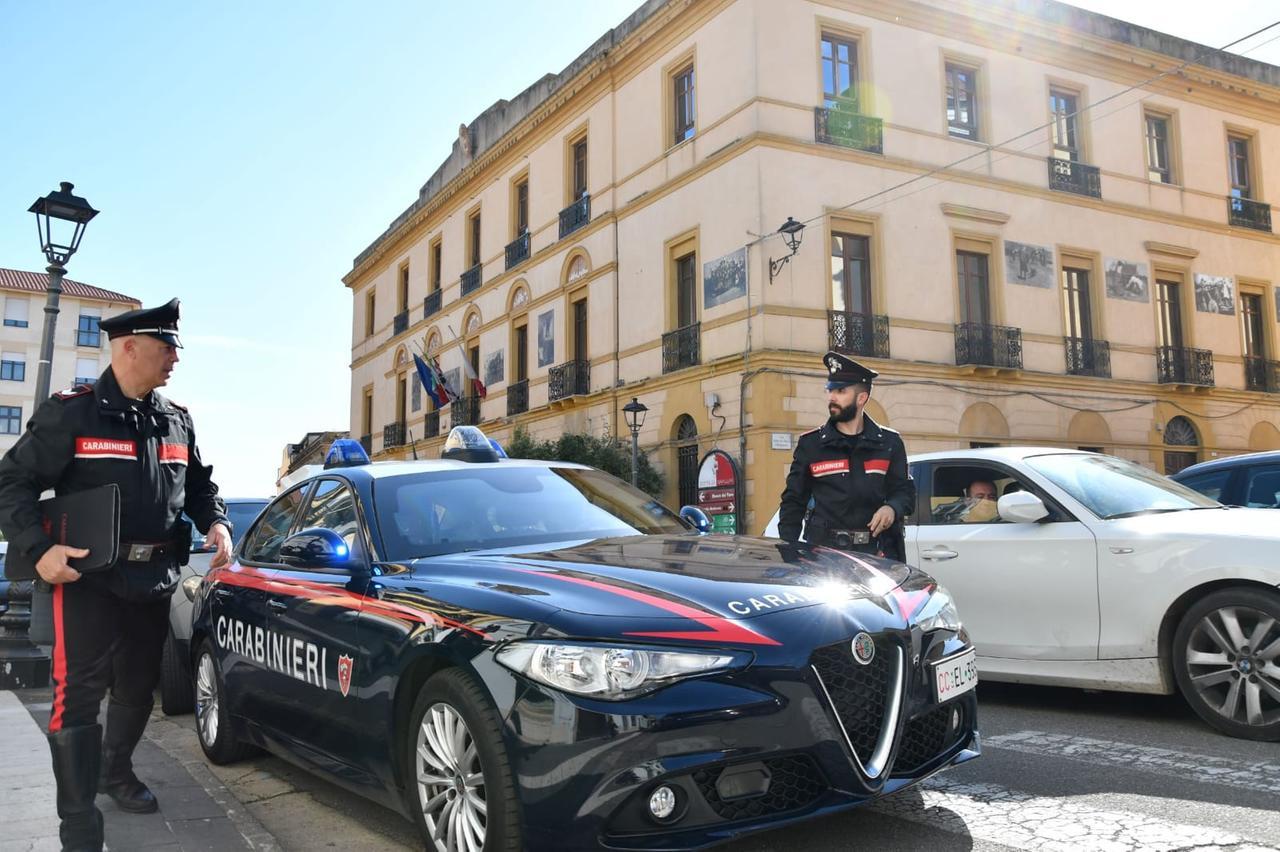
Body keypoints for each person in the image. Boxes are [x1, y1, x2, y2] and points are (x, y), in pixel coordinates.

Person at [0, 298, 231, 852]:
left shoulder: (175, 418)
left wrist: (216, 522)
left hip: (153, 581)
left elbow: (198, 486)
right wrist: (38, 551)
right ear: (129, 347)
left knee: (134, 688)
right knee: (76, 697)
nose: (175, 357)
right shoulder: (72, 412)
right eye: (166, 346)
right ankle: (77, 825)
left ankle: (114, 772)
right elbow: (11, 484)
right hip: (87, 580)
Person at [778, 351, 914, 560]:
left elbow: (904, 492)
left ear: (861, 398)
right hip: (824, 557)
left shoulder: (889, 442)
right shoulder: (811, 444)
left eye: (840, 391)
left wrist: (892, 508)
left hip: (877, 556)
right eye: (829, 390)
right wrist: (790, 553)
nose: (832, 397)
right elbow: (793, 503)